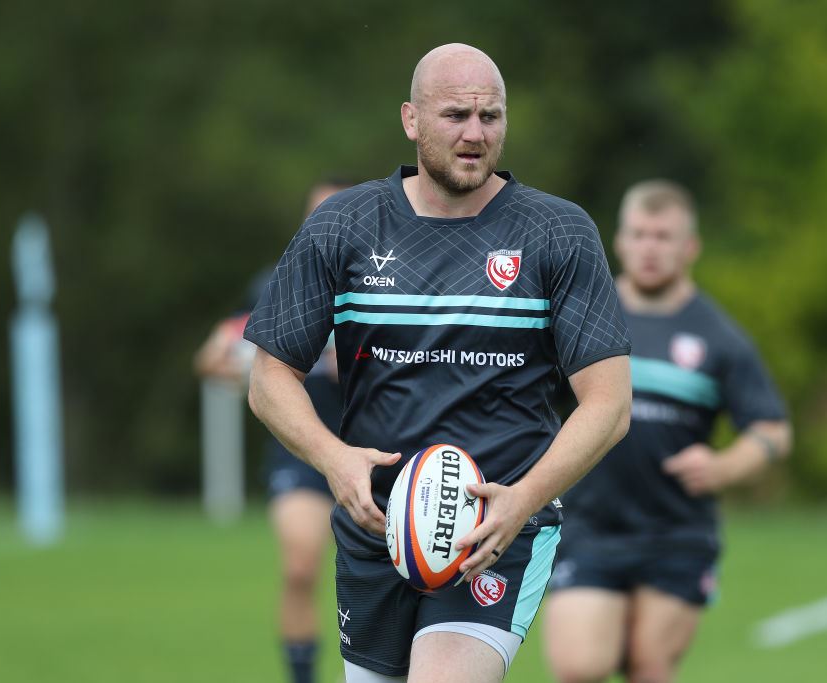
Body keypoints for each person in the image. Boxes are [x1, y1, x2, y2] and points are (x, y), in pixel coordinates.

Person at [243, 43, 632, 683]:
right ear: (411, 120)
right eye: (455, 116)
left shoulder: (557, 233)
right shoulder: (344, 226)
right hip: (376, 534)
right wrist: (335, 460)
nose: (476, 134)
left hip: (498, 531)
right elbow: (268, 378)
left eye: (492, 117)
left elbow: (610, 404)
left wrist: (524, 499)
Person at [543, 180, 793, 683]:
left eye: (663, 236)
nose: (649, 248)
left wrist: (725, 466)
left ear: (689, 247)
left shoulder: (718, 336)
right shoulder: (583, 314)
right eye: (639, 234)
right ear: (619, 240)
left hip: (677, 532)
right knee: (578, 666)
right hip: (588, 525)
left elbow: (773, 430)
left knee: (649, 665)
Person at [194, 181, 349, 683]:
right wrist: (256, 371)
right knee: (301, 568)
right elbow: (213, 356)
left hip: (380, 449)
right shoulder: (275, 284)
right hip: (301, 454)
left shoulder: (392, 280)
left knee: (392, 582)